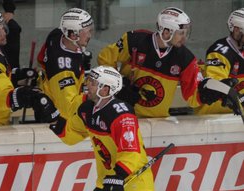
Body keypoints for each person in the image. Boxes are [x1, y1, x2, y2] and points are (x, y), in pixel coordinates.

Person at [48, 65, 156, 191]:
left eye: (92, 82)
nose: (87, 84)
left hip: (133, 179)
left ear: (105, 89)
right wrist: (53, 118)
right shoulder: (86, 109)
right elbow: (72, 136)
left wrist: (118, 176)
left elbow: (131, 152)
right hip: (108, 180)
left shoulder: (121, 113)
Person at [97, 7, 238, 118]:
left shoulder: (185, 58)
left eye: (186, 33)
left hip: (159, 121)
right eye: (181, 33)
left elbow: (192, 97)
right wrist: (118, 85)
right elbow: (105, 59)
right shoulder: (134, 41)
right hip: (121, 115)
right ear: (166, 32)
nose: (184, 38)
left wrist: (212, 93)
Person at [0, 8, 53, 126]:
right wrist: (25, 96)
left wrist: (17, 74)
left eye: (2, 27)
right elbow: (0, 89)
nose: (3, 33)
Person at [37, 7, 94, 120]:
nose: (90, 35)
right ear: (73, 35)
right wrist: (94, 97)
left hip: (50, 92)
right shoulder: (64, 72)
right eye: (87, 31)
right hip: (58, 120)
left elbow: (40, 59)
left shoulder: (57, 34)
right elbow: (69, 110)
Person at [196, 8, 244, 115]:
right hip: (212, 118)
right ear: (236, 30)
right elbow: (216, 86)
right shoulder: (219, 51)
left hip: (234, 115)